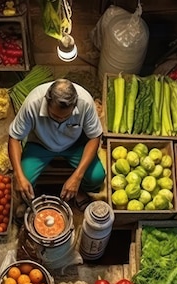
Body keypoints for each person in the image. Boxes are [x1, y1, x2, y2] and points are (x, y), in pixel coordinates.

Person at [8, 78, 105, 210]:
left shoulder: (85, 102)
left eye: (66, 117)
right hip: (40, 144)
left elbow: (95, 136)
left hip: (74, 145)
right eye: (55, 116)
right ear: (47, 102)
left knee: (97, 177)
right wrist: (18, 175)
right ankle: (33, 196)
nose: (61, 119)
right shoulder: (33, 103)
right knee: (23, 181)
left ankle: (79, 191)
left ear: (75, 105)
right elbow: (14, 137)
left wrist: (77, 177)